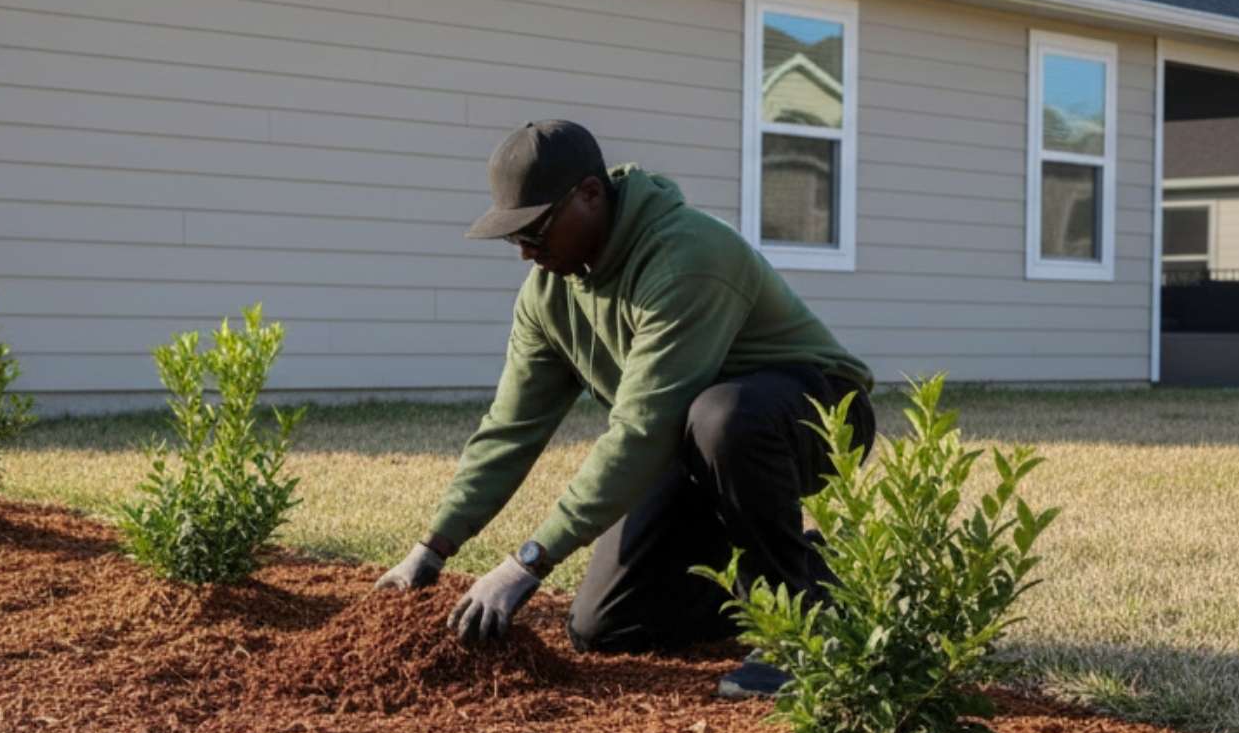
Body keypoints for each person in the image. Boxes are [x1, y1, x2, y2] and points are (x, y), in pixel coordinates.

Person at [374, 119, 875, 699]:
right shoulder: (548, 295)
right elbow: (509, 430)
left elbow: (639, 428)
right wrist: (431, 548)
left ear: (590, 194)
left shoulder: (686, 255)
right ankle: (804, 581)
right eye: (514, 237)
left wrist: (527, 563)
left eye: (535, 230)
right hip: (686, 441)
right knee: (607, 626)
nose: (524, 253)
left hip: (813, 414)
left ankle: (796, 634)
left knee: (720, 415)